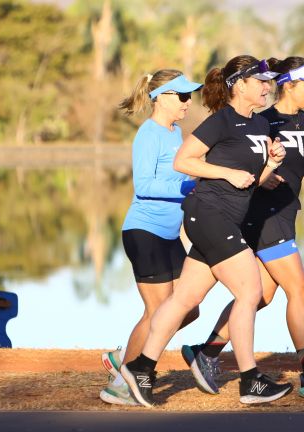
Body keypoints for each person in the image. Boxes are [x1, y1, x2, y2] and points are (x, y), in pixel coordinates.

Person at [120, 55, 293, 407]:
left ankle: (141, 367)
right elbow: (184, 162)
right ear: (239, 85)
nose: (266, 87)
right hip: (208, 214)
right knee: (250, 292)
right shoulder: (221, 122)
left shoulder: (260, 125)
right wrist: (226, 174)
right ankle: (250, 380)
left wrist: (271, 163)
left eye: (267, 81)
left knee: (185, 299)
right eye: (259, 81)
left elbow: (250, 182)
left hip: (224, 217)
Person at [181, 56, 304, 399]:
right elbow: (242, 163)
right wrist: (257, 177)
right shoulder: (264, 121)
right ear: (288, 84)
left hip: (287, 214)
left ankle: (207, 351)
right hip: (263, 217)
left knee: (262, 294)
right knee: (301, 290)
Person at [98, 70, 203, 406]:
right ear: (163, 97)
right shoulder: (149, 134)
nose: (189, 102)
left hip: (169, 235)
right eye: (183, 96)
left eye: (190, 96)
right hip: (144, 232)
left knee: (188, 310)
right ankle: (122, 382)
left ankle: (121, 360)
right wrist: (187, 186)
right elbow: (144, 186)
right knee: (158, 311)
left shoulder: (176, 134)